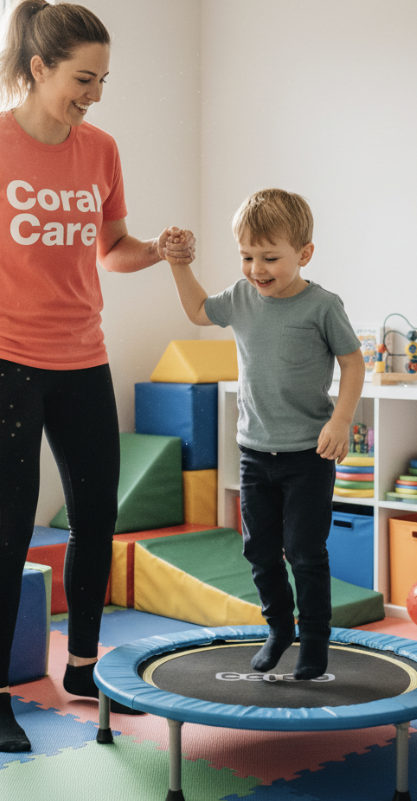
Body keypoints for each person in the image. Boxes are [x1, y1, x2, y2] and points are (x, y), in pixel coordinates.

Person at [0, 0, 193, 753]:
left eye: (103, 80)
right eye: (82, 78)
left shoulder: (99, 149)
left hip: (81, 358)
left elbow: (111, 248)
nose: (94, 94)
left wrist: (159, 251)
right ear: (38, 69)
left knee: (96, 517)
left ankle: (81, 669)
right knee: (8, 532)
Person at [165, 189, 364, 680]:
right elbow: (197, 311)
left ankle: (315, 638)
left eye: (270, 257)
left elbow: (353, 362)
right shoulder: (241, 296)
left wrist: (341, 420)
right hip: (254, 452)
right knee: (258, 549)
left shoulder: (322, 305)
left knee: (305, 551)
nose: (257, 268)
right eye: (247, 256)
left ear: (304, 254)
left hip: (307, 455)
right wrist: (177, 264)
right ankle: (279, 627)